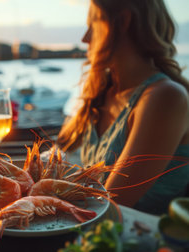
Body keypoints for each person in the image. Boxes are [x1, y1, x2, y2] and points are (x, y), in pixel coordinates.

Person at [57, 0, 189, 215]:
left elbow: (109, 207)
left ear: (124, 21)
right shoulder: (101, 91)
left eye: (94, 23)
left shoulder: (165, 98)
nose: (85, 38)